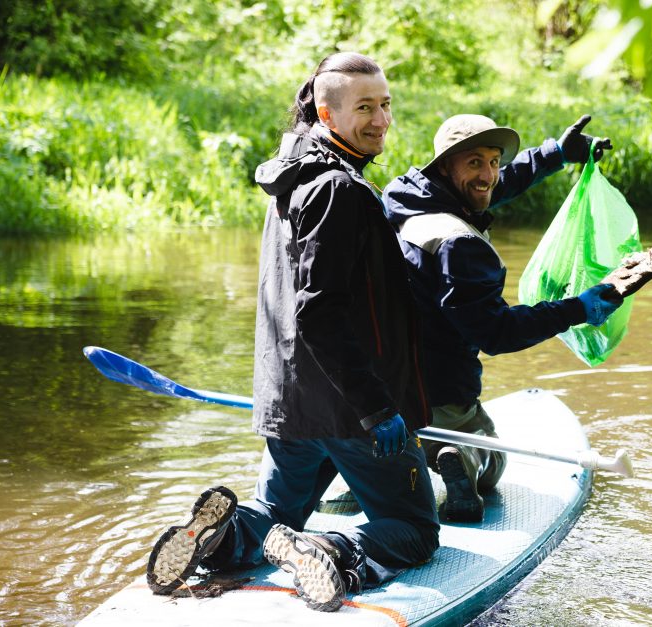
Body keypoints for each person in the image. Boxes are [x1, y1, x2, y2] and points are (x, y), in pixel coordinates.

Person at [144, 52, 439, 613]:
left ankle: (224, 538)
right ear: (327, 116)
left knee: (272, 513)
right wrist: (378, 407)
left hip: (291, 400)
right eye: (364, 109)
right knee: (412, 528)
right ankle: (329, 550)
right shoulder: (338, 190)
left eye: (385, 105)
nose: (380, 120)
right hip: (352, 409)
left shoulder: (295, 179)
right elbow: (319, 310)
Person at [382, 113, 620, 522]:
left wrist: (554, 154)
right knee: (494, 464)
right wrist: (578, 309)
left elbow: (486, 190)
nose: (489, 174)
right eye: (475, 162)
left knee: (392, 454)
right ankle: (463, 454)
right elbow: (497, 332)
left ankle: (383, 464)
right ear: (445, 165)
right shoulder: (460, 246)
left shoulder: (401, 199)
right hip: (438, 391)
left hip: (381, 387)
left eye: (494, 161)